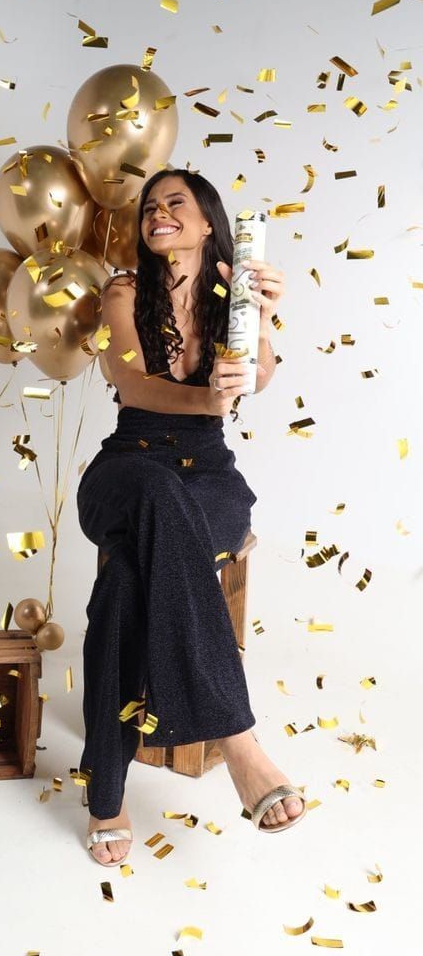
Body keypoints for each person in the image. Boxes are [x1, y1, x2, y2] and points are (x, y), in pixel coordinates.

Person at [77, 168, 306, 866]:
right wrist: (209, 399)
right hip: (129, 467)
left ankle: (105, 793)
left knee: (125, 585)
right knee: (153, 494)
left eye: (176, 202)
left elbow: (259, 374)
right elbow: (133, 382)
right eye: (150, 206)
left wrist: (260, 317)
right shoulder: (123, 292)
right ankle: (239, 742)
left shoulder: (232, 294)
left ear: (209, 222)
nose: (159, 213)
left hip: (208, 474)